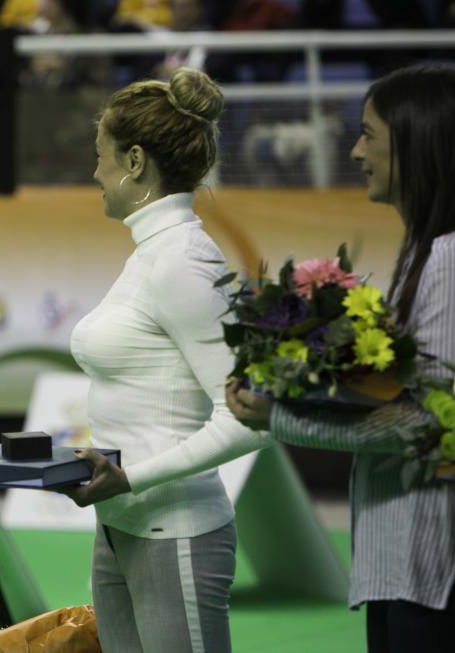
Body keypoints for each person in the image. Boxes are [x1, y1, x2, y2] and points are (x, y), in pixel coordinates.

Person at [226, 65, 455, 653]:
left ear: (419, 145)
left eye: (368, 134)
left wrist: (280, 417)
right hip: (408, 562)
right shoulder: (429, 249)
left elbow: (434, 422)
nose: (354, 149)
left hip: (436, 568)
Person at [64, 68, 267, 653]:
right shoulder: (154, 253)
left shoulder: (182, 261)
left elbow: (251, 421)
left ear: (133, 162)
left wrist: (130, 478)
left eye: (99, 155)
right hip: (122, 525)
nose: (93, 172)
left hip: (176, 532)